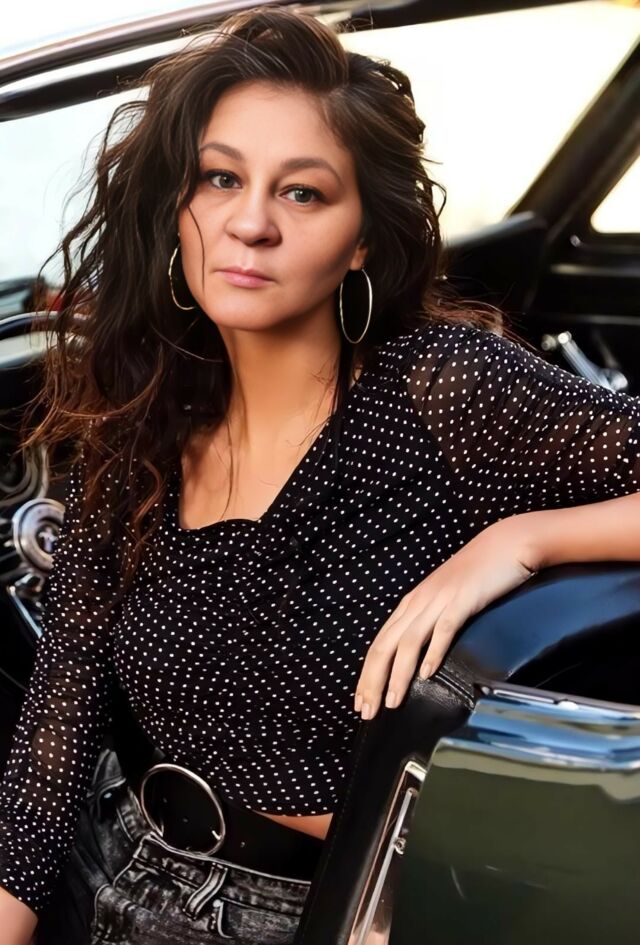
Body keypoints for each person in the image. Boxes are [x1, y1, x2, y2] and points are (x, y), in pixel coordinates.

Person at [1, 6, 640, 944]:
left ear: (362, 238)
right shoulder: (140, 417)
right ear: (179, 206)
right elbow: (61, 708)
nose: (250, 223)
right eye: (220, 178)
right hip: (117, 864)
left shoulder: (440, 388)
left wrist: (527, 539)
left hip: (321, 910)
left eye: (303, 193)